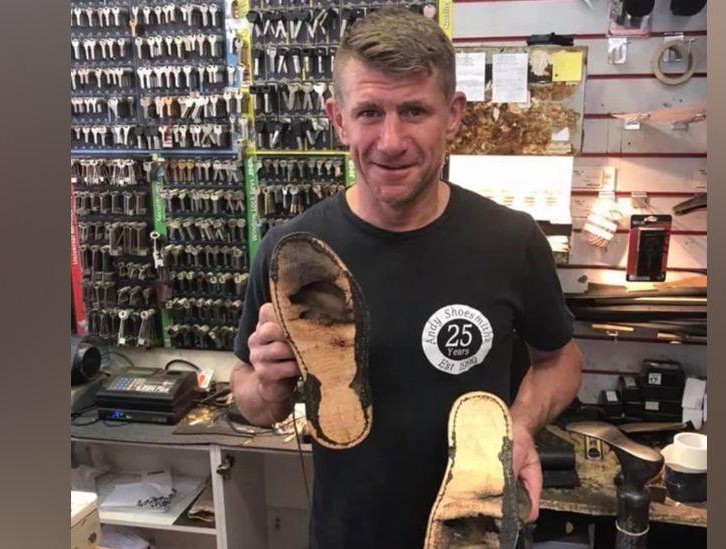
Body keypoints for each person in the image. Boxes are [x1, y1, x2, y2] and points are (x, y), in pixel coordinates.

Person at [230, 7, 583, 548]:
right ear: (338, 118)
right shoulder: (293, 254)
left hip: (478, 530)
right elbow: (249, 399)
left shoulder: (511, 241)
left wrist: (520, 426)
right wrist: (268, 384)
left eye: (414, 111)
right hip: (347, 536)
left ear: (454, 115)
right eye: (369, 112)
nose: (391, 141)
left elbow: (559, 360)